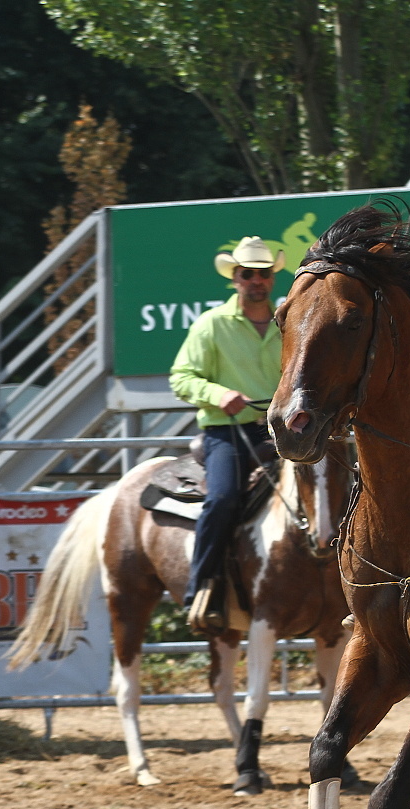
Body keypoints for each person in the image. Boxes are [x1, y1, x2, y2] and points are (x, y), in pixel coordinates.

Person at [169, 236, 285, 635]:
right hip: (226, 432)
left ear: (273, 277)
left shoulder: (288, 320)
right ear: (234, 278)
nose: (256, 280)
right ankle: (201, 588)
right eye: (247, 274)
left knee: (337, 488)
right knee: (220, 500)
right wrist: (220, 394)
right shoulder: (211, 325)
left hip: (279, 431)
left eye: (263, 273)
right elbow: (181, 377)